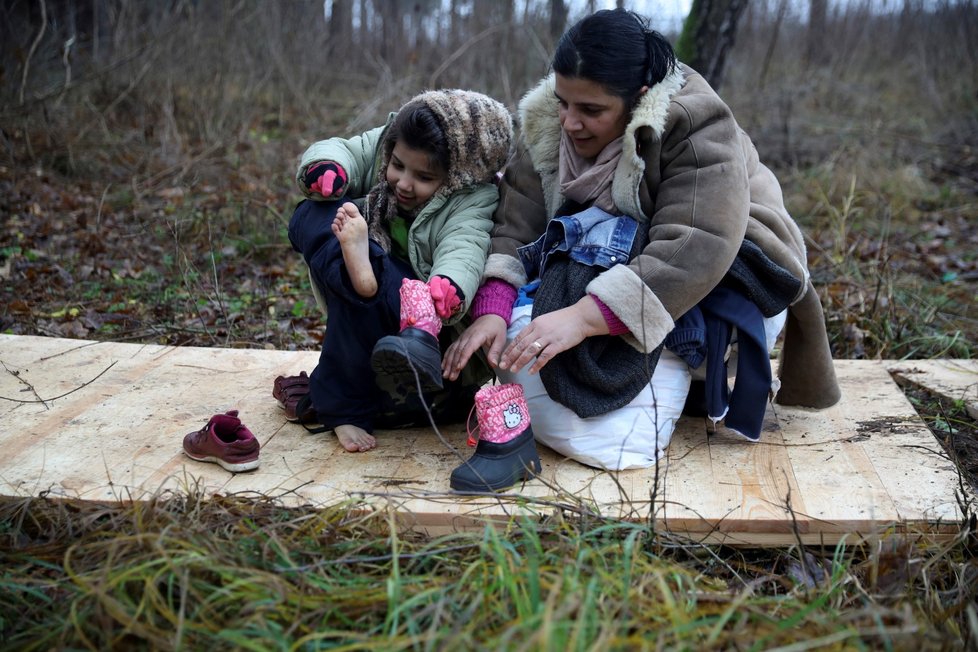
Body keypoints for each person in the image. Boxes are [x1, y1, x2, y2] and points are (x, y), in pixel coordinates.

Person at [443, 9, 840, 485]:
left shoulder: (696, 122)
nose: (569, 122)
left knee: (614, 443)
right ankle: (668, 381)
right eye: (563, 101)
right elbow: (517, 222)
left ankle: (696, 367)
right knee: (528, 345)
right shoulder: (552, 119)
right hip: (607, 262)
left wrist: (582, 318)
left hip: (725, 274)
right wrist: (492, 308)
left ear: (640, 98)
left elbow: (699, 242)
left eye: (591, 110)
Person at [278, 89, 514, 454]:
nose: (403, 182)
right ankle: (359, 270)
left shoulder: (473, 198)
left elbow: (464, 247)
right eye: (398, 166)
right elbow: (347, 149)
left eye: (423, 176)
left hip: (418, 322)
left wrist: (448, 287)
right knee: (310, 213)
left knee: (360, 298)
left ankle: (344, 409)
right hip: (365, 276)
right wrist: (327, 169)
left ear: (456, 178)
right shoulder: (391, 141)